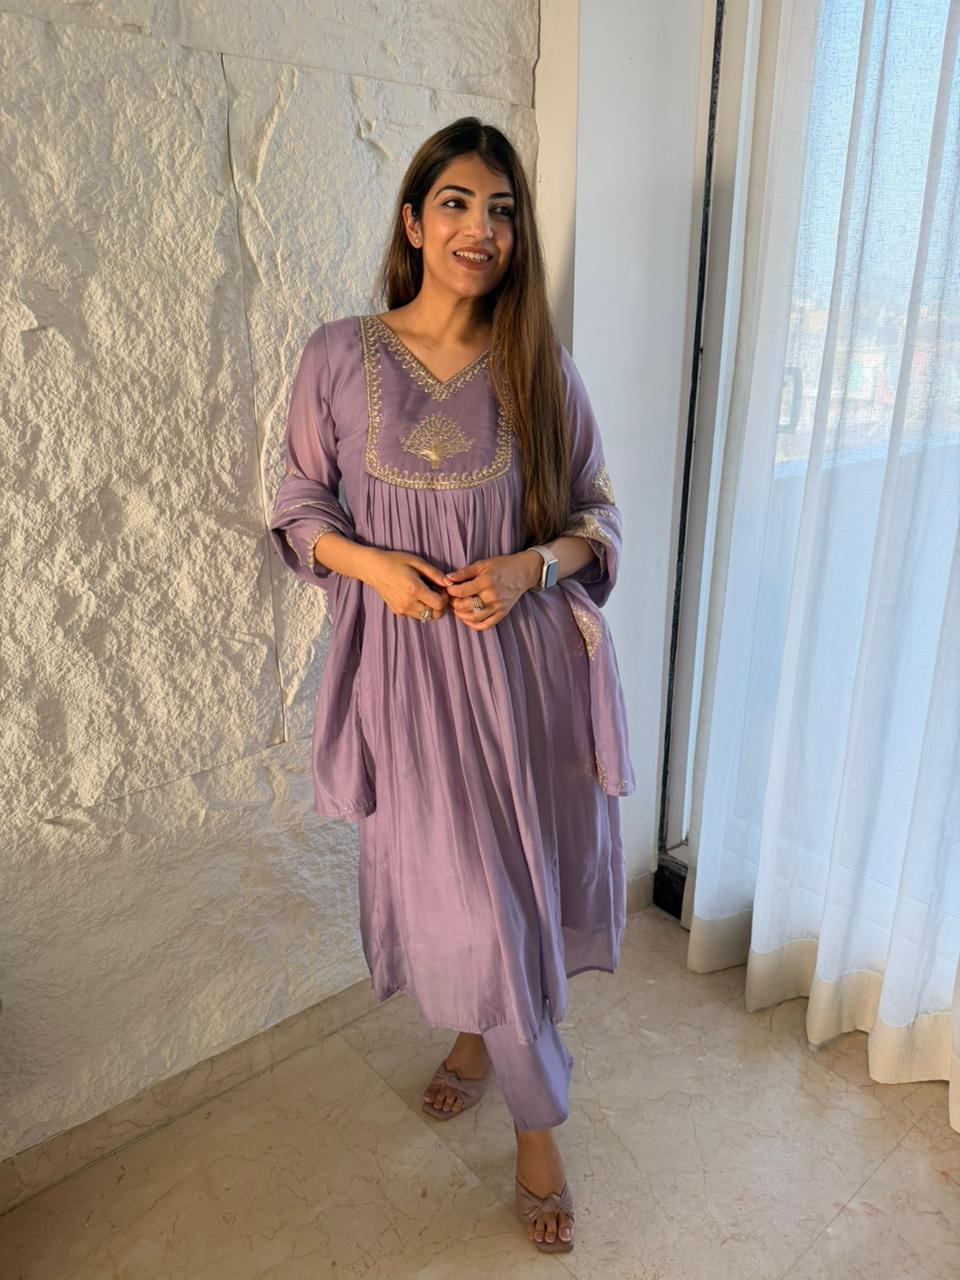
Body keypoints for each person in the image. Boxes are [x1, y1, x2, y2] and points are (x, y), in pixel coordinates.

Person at [268, 115, 635, 1254]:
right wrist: (373, 564)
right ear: (416, 221)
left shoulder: (538, 370)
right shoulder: (338, 356)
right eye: (459, 204)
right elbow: (298, 505)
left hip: (521, 683)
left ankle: (536, 1128)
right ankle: (476, 1040)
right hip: (408, 686)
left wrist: (532, 566)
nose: (482, 229)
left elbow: (598, 518)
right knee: (464, 902)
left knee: (503, 903)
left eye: (503, 211)